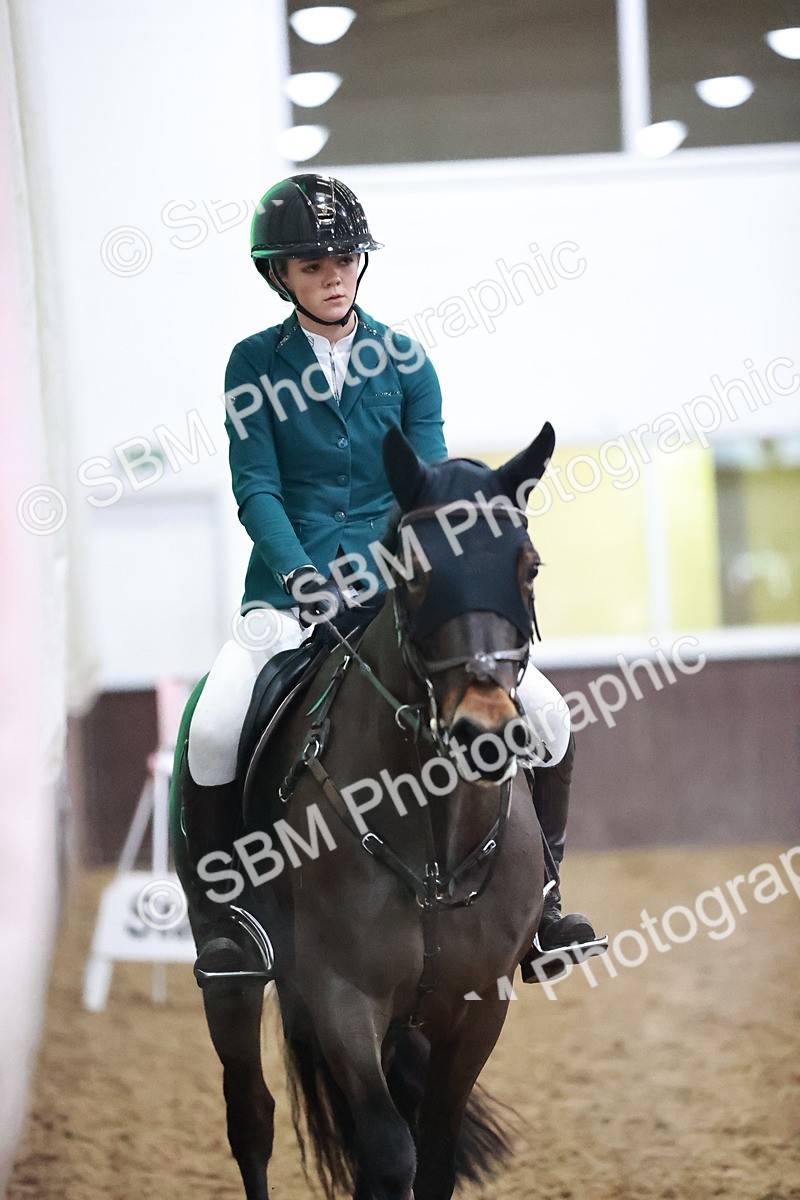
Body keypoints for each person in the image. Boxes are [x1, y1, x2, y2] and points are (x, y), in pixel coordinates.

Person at [181, 173, 605, 984]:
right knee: (212, 727)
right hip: (287, 591)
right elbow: (256, 486)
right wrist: (300, 573)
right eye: (311, 265)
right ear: (281, 277)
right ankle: (229, 920)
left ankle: (545, 906)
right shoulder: (251, 366)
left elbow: (433, 484)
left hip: (394, 590)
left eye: (344, 259)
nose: (332, 274)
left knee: (547, 717)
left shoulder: (405, 361)